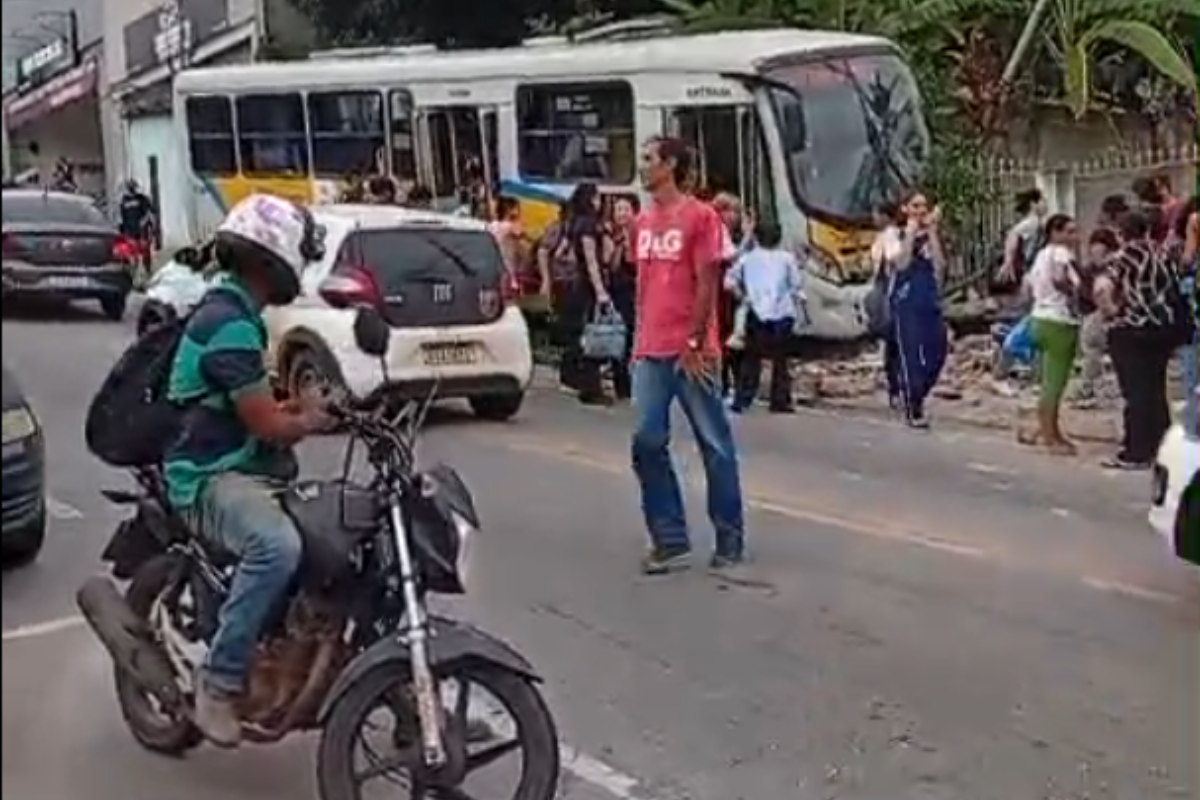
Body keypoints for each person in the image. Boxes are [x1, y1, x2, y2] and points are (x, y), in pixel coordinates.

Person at [164, 193, 332, 746]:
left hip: (240, 466)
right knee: (276, 547)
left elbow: (250, 404)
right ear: (273, 259)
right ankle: (218, 681)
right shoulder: (230, 324)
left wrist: (303, 409)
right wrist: (308, 417)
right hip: (207, 476)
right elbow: (266, 425)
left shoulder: (237, 314)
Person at [628, 136, 746, 575]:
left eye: (648, 159)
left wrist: (695, 342)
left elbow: (706, 283)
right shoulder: (641, 222)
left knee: (714, 444)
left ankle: (729, 537)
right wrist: (638, 344)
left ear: (670, 165)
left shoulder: (701, 217)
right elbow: (645, 287)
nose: (642, 168)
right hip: (650, 351)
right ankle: (670, 538)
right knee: (646, 441)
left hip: (692, 352)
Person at [1093, 210, 1191, 469]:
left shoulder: (1124, 256)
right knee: (1156, 390)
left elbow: (1102, 288)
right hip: (1162, 331)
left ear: (1120, 233)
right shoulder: (1163, 254)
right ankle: (1163, 449)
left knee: (1136, 392)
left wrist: (1111, 311)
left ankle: (1136, 452)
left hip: (1131, 331)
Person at [883, 191, 949, 429]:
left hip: (929, 300)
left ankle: (919, 391)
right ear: (905, 209)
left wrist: (931, 233)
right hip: (905, 301)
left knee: (938, 349)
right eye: (915, 205)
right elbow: (900, 263)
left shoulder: (930, 236)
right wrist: (911, 232)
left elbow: (940, 268)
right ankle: (914, 405)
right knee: (910, 353)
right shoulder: (893, 234)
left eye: (924, 206)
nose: (921, 210)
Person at [724, 219, 804, 414]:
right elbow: (796, 285)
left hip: (756, 312)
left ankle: (742, 399)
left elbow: (729, 282)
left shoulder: (748, 258)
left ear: (757, 238)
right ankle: (779, 400)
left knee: (751, 358)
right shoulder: (787, 259)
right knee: (780, 361)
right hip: (782, 313)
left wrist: (743, 297)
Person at [1019, 213, 1083, 453]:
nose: (1073, 237)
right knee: (1055, 383)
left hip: (1040, 318)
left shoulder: (1040, 255)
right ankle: (1050, 437)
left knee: (1047, 381)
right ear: (1055, 233)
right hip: (1060, 321)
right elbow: (1058, 279)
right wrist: (1076, 295)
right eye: (1069, 231)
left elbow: (1028, 289)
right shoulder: (1060, 253)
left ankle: (1048, 431)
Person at [556, 183, 612, 406]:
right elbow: (593, 261)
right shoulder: (590, 226)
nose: (600, 202)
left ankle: (572, 377)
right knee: (593, 335)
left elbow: (561, 253)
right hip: (589, 286)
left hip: (576, 285)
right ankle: (591, 387)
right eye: (598, 198)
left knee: (580, 333)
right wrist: (600, 291)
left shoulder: (573, 225)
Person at [1071, 228, 1120, 408]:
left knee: (1092, 350)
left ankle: (1087, 391)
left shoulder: (1107, 267)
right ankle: (1092, 389)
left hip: (1100, 310)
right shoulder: (1115, 263)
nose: (1094, 254)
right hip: (1097, 310)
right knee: (1095, 351)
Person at [606, 196, 640, 401]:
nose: (622, 214)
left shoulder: (641, 234)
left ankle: (634, 380)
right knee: (620, 336)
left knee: (635, 337)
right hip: (618, 292)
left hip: (636, 291)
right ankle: (621, 382)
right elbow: (612, 265)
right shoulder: (610, 235)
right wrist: (619, 244)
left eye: (626, 209)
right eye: (619, 210)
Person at [996, 187, 1047, 289]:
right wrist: (1008, 260)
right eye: (1043, 201)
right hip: (1029, 269)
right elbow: (1012, 234)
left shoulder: (1034, 222)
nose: (1046, 205)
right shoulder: (1033, 222)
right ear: (1033, 204)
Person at [117, 179, 156, 278]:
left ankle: (147, 271)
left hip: (142, 230)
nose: (131, 190)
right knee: (133, 253)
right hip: (130, 231)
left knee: (145, 252)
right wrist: (122, 229)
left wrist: (147, 224)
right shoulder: (124, 201)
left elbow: (149, 213)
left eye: (132, 187)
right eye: (130, 187)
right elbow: (122, 217)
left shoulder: (142, 199)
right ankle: (134, 273)